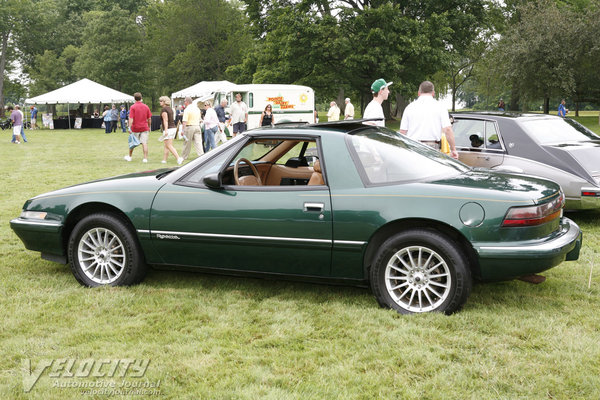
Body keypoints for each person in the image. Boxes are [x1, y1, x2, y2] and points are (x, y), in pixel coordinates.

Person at [399, 81, 459, 159]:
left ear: (419, 93)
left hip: (413, 146)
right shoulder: (440, 107)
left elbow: (403, 132)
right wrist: (453, 149)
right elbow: (447, 129)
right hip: (432, 147)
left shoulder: (409, 108)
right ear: (433, 93)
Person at [124, 92, 152, 163]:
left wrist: (129, 127)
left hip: (135, 128)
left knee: (132, 143)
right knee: (144, 143)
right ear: (141, 98)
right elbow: (149, 118)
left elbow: (131, 118)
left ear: (134, 98)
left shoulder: (133, 107)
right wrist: (149, 126)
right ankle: (145, 158)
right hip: (144, 127)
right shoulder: (146, 106)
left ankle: (130, 157)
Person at [158, 96, 183, 165]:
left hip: (168, 129)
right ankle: (164, 160)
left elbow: (165, 120)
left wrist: (165, 130)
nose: (160, 102)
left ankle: (178, 158)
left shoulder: (164, 110)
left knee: (169, 145)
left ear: (164, 102)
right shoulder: (170, 109)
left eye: (161, 101)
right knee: (167, 145)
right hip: (173, 128)